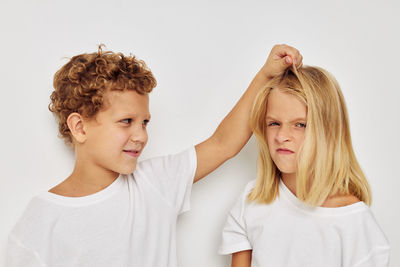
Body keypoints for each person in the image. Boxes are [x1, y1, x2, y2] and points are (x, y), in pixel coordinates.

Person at [6, 44, 302, 267]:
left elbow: (224, 143)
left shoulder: (155, 183)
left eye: (145, 122)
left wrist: (266, 75)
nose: (141, 135)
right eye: (126, 122)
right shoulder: (40, 222)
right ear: (80, 127)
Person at [219, 66, 390, 267]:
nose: (282, 136)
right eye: (274, 123)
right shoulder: (251, 201)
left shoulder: (356, 224)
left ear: (329, 132)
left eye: (300, 124)